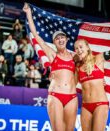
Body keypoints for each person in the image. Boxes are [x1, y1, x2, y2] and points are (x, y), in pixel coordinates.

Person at [23, 3, 78, 131]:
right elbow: (35, 35)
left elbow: (90, 62)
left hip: (72, 97)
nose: (60, 39)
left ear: (67, 39)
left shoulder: (75, 56)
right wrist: (29, 14)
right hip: (56, 95)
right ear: (54, 42)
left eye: (62, 37)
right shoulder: (52, 54)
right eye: (57, 38)